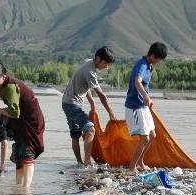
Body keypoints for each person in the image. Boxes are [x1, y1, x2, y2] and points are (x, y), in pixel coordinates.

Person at [0, 63, 45, 188]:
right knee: (19, 154)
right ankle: (18, 187)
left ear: (3, 76)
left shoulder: (11, 86)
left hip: (30, 120)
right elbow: (0, 93)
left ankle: (26, 190)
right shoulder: (2, 84)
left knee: (27, 152)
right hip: (19, 122)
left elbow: (14, 112)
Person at [62, 46, 117, 166]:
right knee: (90, 129)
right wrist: (111, 114)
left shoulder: (88, 64)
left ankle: (79, 163)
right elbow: (102, 95)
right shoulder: (90, 71)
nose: (106, 67)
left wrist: (92, 103)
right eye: (105, 63)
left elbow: (86, 87)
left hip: (67, 102)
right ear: (98, 59)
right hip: (72, 104)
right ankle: (87, 164)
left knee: (75, 134)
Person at [125, 42, 168, 171]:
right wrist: (145, 96)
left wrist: (148, 97)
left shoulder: (149, 66)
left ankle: (140, 162)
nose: (159, 62)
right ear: (153, 55)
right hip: (135, 107)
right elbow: (137, 81)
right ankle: (132, 167)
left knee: (152, 135)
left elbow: (144, 85)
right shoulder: (142, 65)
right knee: (144, 138)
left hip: (143, 106)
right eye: (159, 59)